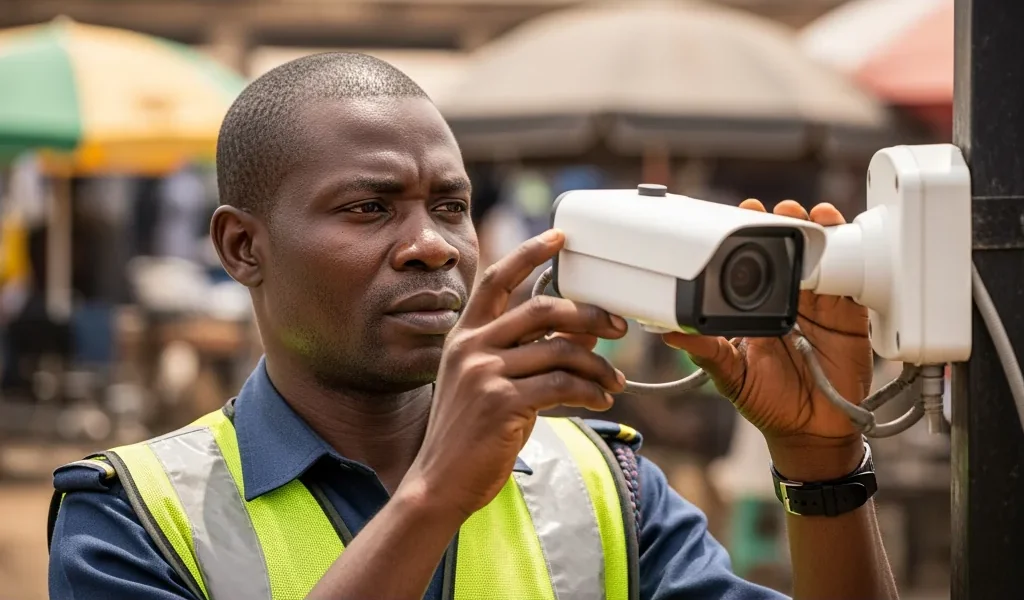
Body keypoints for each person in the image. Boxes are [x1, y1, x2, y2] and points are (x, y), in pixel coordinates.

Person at [47, 52, 896, 600]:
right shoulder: (130, 519)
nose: (429, 246)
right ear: (242, 246)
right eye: (368, 207)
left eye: (450, 206)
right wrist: (432, 495)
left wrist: (819, 464)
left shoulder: (611, 491)